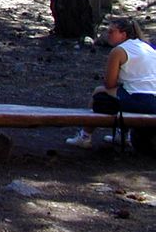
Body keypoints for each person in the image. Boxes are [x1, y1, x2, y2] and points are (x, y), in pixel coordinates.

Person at [66, 17, 156, 148]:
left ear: (123, 34)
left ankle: (85, 136)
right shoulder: (148, 48)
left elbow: (109, 84)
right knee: (123, 91)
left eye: (111, 32)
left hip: (140, 99)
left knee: (99, 92)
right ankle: (122, 134)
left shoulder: (119, 51)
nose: (107, 35)